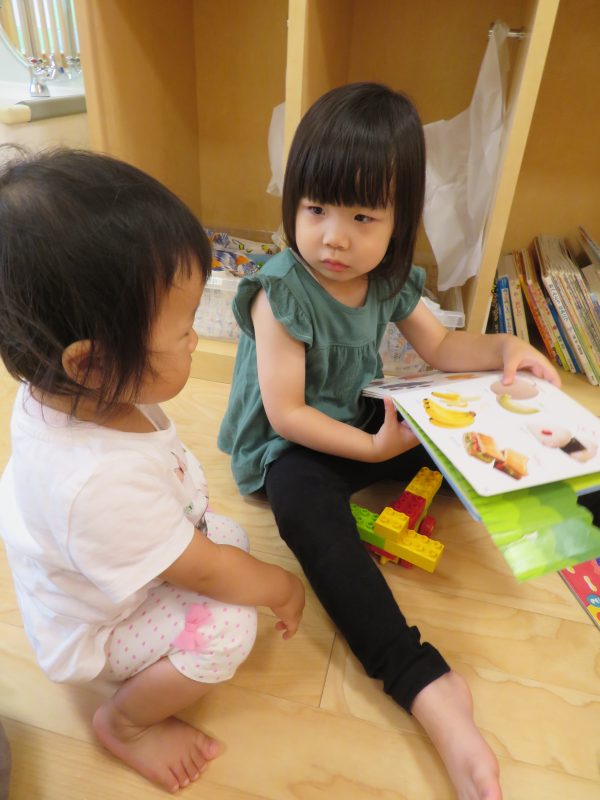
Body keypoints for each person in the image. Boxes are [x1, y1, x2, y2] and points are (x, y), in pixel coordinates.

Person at [218, 82, 568, 800]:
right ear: (293, 202)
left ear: (399, 220)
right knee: (304, 505)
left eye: (362, 216)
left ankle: (551, 492)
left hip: (361, 418)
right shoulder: (281, 292)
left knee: (467, 416)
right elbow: (287, 416)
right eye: (315, 209)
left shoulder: (385, 279)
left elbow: (442, 348)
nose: (333, 237)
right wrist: (377, 452)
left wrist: (506, 347)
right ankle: (422, 682)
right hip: (293, 448)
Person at [0, 148, 305, 793]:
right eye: (184, 329)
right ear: (91, 364)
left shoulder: (67, 390)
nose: (195, 339)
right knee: (229, 625)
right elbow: (207, 571)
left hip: (93, 566)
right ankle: (126, 722)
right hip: (96, 629)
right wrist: (280, 587)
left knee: (230, 540)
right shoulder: (97, 482)